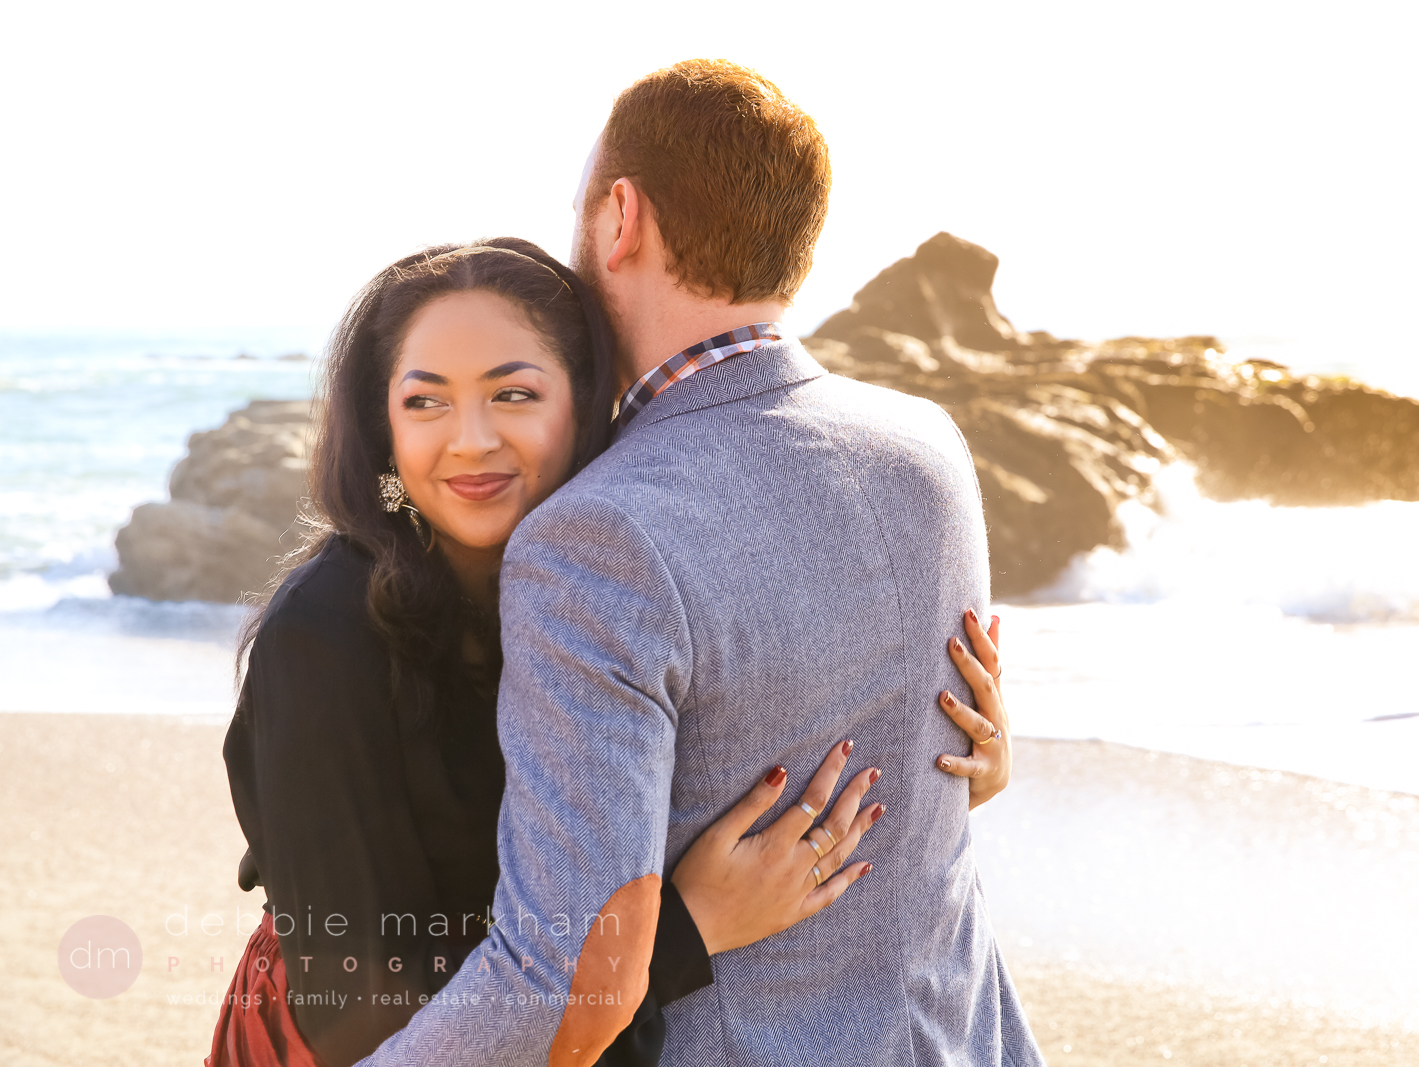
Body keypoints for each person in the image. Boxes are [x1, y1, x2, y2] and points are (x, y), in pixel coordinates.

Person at [358, 60, 1040, 1067]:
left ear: (620, 216)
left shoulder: (599, 533)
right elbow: (917, 757)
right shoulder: (926, 447)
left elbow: (562, 979)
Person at [209, 237, 1011, 1067]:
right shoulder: (326, 638)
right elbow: (367, 1020)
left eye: (513, 393)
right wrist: (686, 928)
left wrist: (946, 763)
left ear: (588, 400)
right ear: (381, 425)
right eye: (425, 402)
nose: (471, 440)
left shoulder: (607, 585)